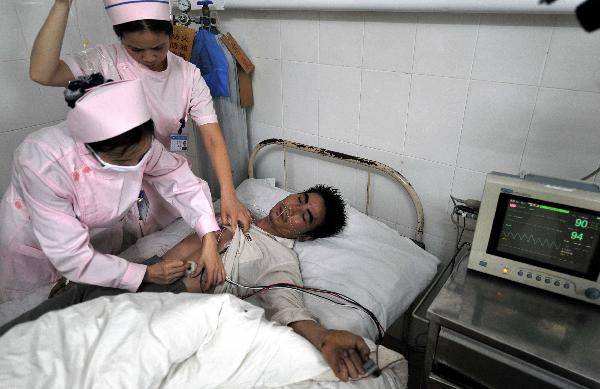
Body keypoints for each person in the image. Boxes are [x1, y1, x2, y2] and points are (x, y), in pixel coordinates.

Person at [0, 185, 371, 381]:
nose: (291, 209)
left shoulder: (282, 261)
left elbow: (289, 305)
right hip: (142, 271)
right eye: (299, 199)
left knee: (64, 352)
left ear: (305, 236)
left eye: (304, 217)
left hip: (168, 297)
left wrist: (324, 338)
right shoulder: (236, 211)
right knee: (34, 324)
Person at [29, 0, 252, 237]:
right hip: (109, 184)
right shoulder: (104, 62)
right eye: (135, 49)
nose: (149, 57)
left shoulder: (188, 76)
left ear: (170, 33)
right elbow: (43, 73)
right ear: (121, 39)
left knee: (159, 247)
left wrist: (229, 194)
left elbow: (212, 138)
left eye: (158, 47)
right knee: (110, 253)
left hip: (164, 182)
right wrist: (63, 4)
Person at [0, 79, 224, 309]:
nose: (136, 165)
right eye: (123, 160)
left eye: (141, 155)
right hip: (36, 246)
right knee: (39, 311)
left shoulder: (140, 142)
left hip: (95, 233)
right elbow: (71, 256)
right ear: (92, 147)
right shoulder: (42, 162)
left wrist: (208, 235)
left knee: (93, 295)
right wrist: (144, 274)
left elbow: (180, 180)